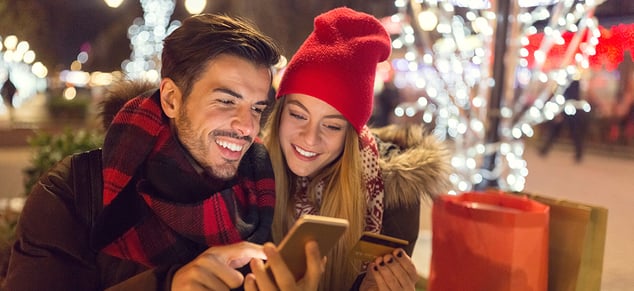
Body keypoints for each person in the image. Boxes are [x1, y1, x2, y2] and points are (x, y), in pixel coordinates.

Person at [3, 13, 323, 291]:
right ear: (171, 99)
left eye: (256, 108)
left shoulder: (265, 191)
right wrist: (165, 286)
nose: (247, 127)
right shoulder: (72, 193)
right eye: (226, 101)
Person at [253, 7, 452, 291]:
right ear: (280, 112)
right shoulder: (250, 174)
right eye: (298, 115)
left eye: (332, 126)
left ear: (351, 135)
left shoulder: (392, 194)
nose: (310, 139)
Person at [539, 79, 588, 162]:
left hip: (569, 108)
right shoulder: (569, 80)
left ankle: (579, 154)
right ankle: (545, 149)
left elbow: (567, 94)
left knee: (570, 131)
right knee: (557, 130)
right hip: (568, 108)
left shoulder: (568, 80)